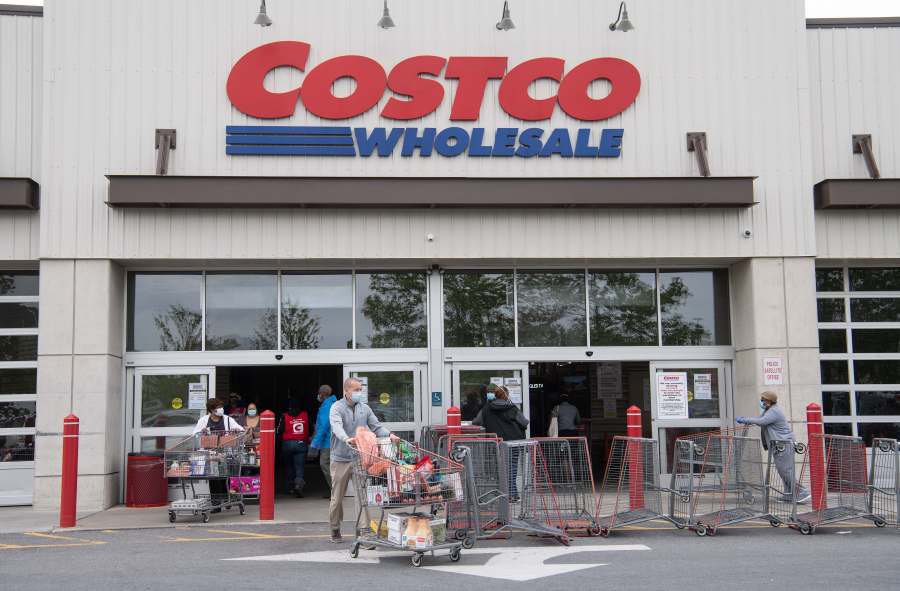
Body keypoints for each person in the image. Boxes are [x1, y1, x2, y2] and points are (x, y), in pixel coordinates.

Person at [328, 377, 398, 543]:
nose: (359, 392)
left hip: (360, 458)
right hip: (340, 459)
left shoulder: (364, 408)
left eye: (360, 389)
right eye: (356, 390)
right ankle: (335, 527)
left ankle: (364, 530)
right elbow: (336, 426)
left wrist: (389, 434)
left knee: (362, 495)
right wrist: (346, 438)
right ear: (346, 391)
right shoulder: (336, 408)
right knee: (337, 498)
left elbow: (376, 426)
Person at [737, 391, 811, 503]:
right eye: (761, 400)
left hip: (784, 444)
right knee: (783, 471)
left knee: (785, 471)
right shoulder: (768, 410)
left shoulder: (774, 411)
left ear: (770, 401)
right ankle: (789, 495)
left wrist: (744, 419)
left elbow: (762, 422)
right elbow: (760, 420)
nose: (762, 402)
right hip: (779, 445)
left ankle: (802, 492)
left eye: (764, 400)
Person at [473, 384, 528, 502]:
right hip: (513, 441)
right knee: (512, 468)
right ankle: (512, 495)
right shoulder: (512, 408)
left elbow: (476, 422)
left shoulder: (486, 408)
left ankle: (504, 495)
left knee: (500, 469)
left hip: (496, 442)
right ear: (506, 395)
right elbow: (524, 422)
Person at [192, 398, 244, 509]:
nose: (221, 409)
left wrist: (236, 430)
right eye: (218, 407)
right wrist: (202, 432)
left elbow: (241, 430)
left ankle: (226, 498)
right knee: (213, 477)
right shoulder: (204, 420)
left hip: (225, 453)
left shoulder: (228, 419)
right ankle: (216, 503)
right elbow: (195, 434)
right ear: (211, 410)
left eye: (221, 407)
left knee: (224, 476)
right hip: (210, 453)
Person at [309, 385, 337, 499]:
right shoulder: (329, 404)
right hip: (328, 441)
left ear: (322, 394)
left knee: (324, 464)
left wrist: (314, 444)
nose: (318, 395)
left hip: (328, 442)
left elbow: (324, 426)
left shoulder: (327, 406)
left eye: (319, 393)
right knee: (330, 466)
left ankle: (335, 490)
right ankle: (333, 490)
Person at [279, 399, 310, 498]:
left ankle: (289, 487)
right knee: (299, 467)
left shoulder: (284, 416)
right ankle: (298, 485)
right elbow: (311, 428)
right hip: (301, 443)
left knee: (289, 466)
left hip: (287, 444)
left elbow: (279, 430)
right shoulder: (305, 415)